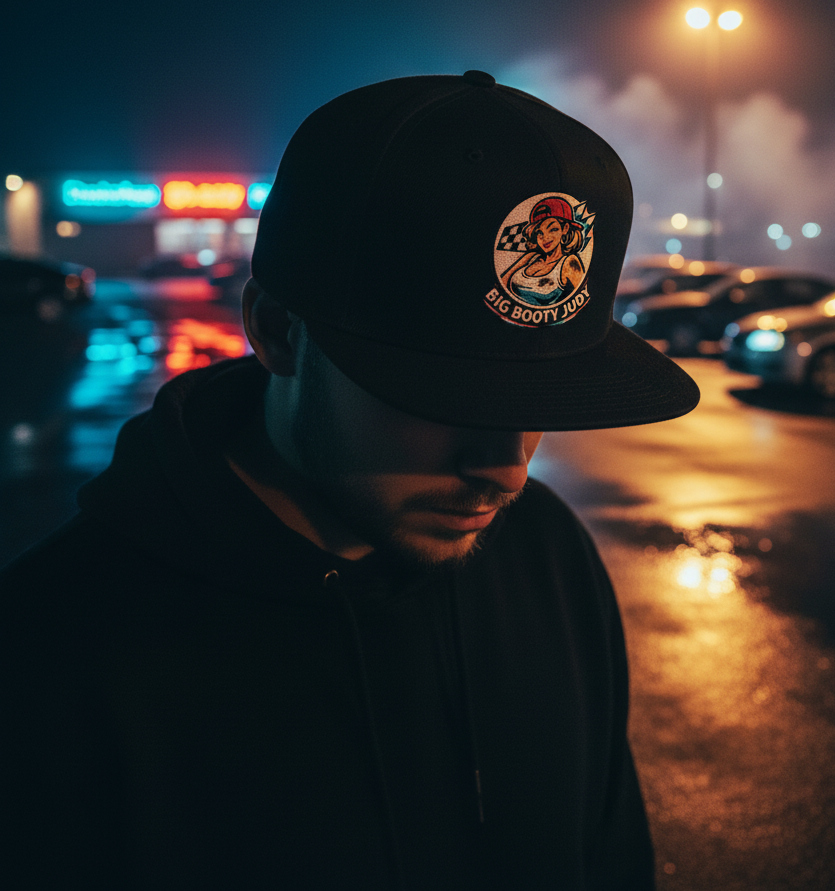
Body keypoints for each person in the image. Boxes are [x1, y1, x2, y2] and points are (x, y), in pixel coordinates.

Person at [0, 70, 700, 890]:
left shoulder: (546, 554)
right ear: (277, 332)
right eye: (441, 395)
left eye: (543, 400)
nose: (507, 469)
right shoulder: (50, 655)